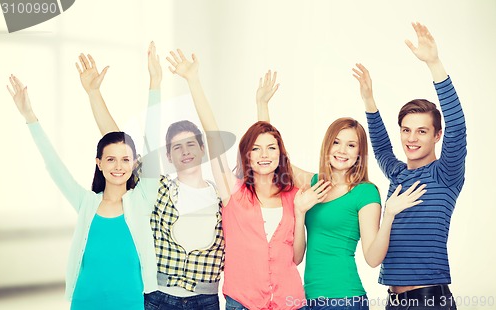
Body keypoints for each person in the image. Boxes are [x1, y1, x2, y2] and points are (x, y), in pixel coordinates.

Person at [165, 49, 327, 310]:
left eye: (272, 148)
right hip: (243, 303)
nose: (264, 155)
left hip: (291, 302)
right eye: (256, 149)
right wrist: (193, 80)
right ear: (246, 155)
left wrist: (299, 211)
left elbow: (296, 257)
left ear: (280, 153)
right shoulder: (232, 190)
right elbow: (212, 134)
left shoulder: (293, 195)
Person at [257, 71, 426, 309]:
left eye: (351, 145)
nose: (342, 150)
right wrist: (262, 106)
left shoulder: (364, 193)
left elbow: (372, 258)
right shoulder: (313, 183)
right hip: (308, 298)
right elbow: (275, 158)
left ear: (359, 153)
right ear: (327, 145)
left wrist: (389, 215)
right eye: (336, 142)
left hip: (345, 299)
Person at [76, 42, 224, 310]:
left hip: (206, 300)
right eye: (176, 147)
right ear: (168, 156)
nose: (185, 151)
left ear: (203, 150)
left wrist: (193, 80)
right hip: (158, 298)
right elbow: (119, 146)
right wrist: (94, 94)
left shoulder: (221, 195)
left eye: (191, 144)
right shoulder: (157, 189)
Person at [7, 75, 159, 310]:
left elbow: (153, 141)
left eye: (125, 159)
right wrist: (30, 117)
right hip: (85, 300)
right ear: (99, 163)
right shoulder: (87, 202)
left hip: (129, 301)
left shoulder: (143, 198)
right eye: (111, 159)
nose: (118, 166)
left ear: (133, 163)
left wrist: (155, 83)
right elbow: (55, 168)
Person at [352, 22, 467, 309]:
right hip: (394, 301)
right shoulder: (397, 174)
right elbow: (379, 145)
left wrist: (434, 64)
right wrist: (368, 99)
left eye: (422, 131)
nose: (412, 138)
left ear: (437, 135)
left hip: (429, 300)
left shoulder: (446, 173)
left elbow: (458, 126)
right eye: (406, 130)